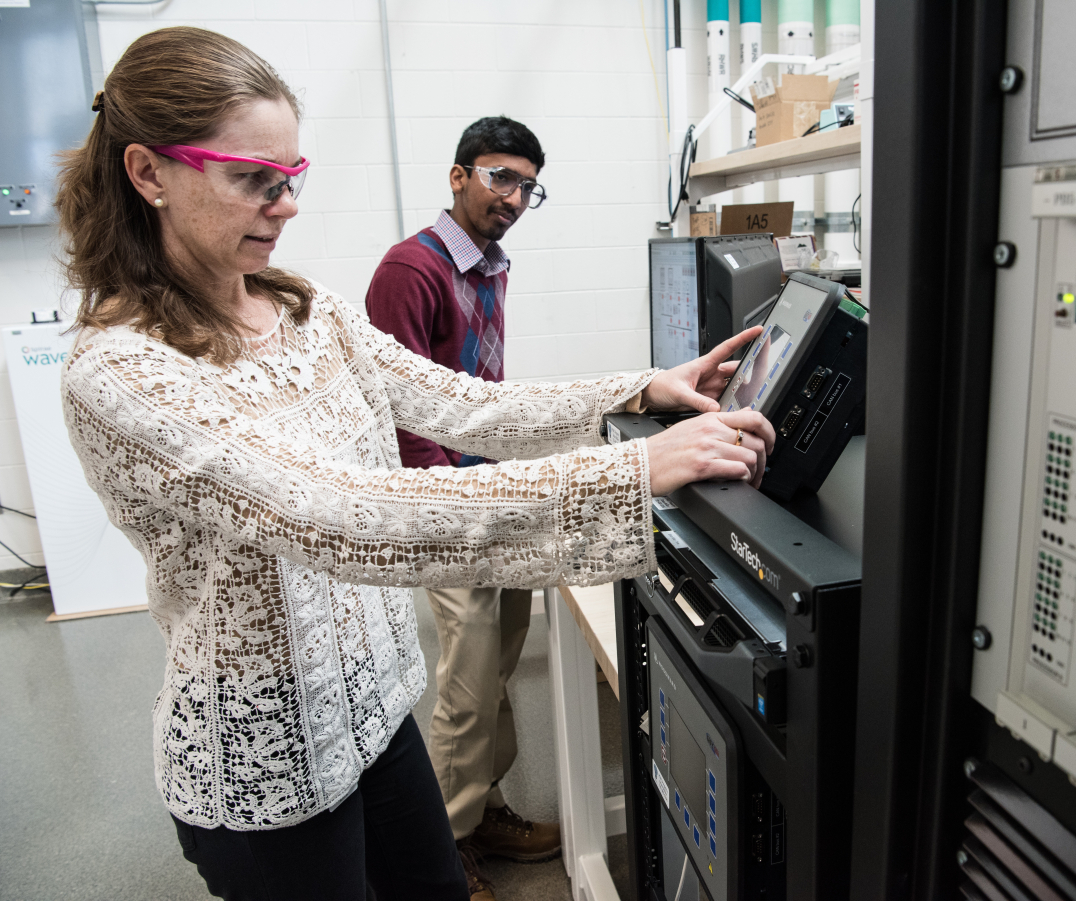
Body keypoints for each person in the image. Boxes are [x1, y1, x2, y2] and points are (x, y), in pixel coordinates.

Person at [54, 26, 773, 901]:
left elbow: (460, 402)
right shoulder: (123, 372)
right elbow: (341, 516)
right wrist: (626, 474)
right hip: (268, 767)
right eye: (253, 179)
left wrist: (639, 389)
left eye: (291, 177)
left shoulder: (303, 307)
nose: (284, 204)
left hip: (376, 715)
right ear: (147, 172)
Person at [364, 116, 556, 898]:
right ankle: (444, 845)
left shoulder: (493, 265)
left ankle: (484, 808)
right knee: (468, 682)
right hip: (449, 504)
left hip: (491, 487)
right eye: (500, 177)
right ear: (458, 175)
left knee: (500, 660)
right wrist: (453, 510)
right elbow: (404, 411)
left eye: (527, 187)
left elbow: (481, 393)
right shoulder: (412, 268)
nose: (513, 197)